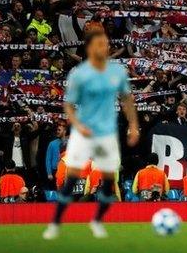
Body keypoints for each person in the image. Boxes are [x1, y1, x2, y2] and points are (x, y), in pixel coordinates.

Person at [43, 30, 139, 240]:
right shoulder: (79, 74)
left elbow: (127, 100)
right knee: (71, 180)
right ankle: (56, 222)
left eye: (105, 45)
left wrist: (133, 125)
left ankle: (97, 221)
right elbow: (68, 105)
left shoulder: (117, 73)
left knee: (107, 180)